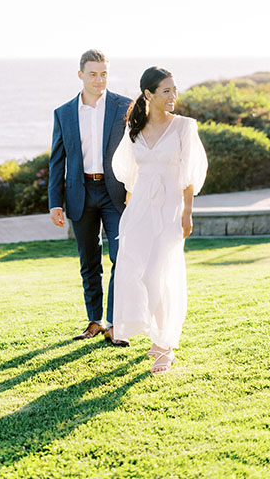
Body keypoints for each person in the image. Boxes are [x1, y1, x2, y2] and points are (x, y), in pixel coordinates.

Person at [110, 67, 207, 374]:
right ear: (148, 95)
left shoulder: (184, 128)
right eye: (166, 91)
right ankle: (154, 333)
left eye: (174, 90)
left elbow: (189, 173)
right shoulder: (135, 129)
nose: (173, 96)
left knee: (157, 274)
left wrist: (187, 212)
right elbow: (130, 176)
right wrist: (128, 215)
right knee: (135, 271)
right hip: (139, 209)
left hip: (170, 208)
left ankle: (165, 344)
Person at [48, 49, 132, 345]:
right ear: (81, 74)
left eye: (104, 73)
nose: (100, 79)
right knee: (89, 261)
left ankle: (113, 322)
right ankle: (94, 320)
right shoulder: (64, 113)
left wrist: (136, 188)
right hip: (79, 194)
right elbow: (57, 161)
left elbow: (137, 151)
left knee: (121, 256)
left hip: (116, 194)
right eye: (94, 74)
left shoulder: (126, 106)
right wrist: (55, 202)